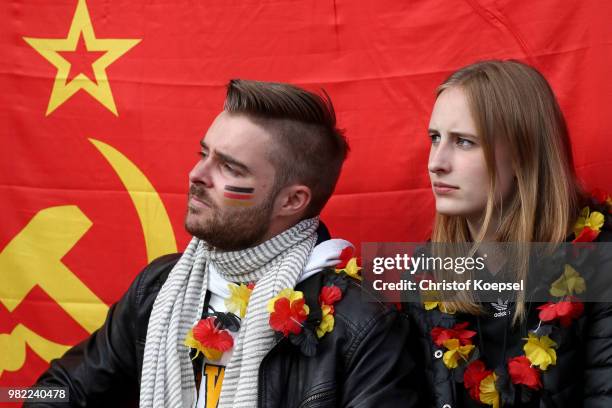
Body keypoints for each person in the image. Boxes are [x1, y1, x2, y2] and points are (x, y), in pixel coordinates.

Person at [29, 80, 421, 407]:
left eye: (229, 167)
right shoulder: (159, 288)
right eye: (204, 154)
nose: (196, 174)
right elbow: (57, 391)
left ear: (292, 200)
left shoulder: (360, 324)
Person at [404, 60, 612, 407]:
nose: (436, 162)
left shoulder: (601, 257)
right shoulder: (426, 272)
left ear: (522, 155)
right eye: (435, 138)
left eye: (464, 142)